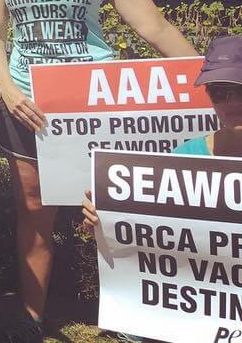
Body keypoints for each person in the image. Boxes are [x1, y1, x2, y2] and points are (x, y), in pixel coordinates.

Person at [0, 0, 197, 343]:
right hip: (27, 108)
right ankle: (31, 320)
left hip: (94, 110)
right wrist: (8, 91)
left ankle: (129, 317)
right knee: (34, 216)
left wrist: (214, 80)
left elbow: (154, 27)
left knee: (111, 214)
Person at [80, 34, 242, 343]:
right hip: (187, 319)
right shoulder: (178, 161)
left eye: (239, 90)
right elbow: (140, 243)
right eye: (219, 92)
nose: (231, 103)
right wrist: (102, 221)